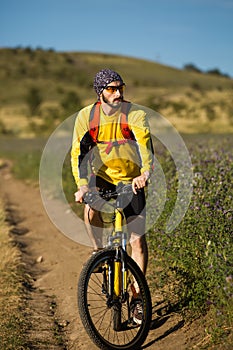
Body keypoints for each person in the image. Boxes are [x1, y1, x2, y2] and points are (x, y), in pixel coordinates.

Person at [71, 69, 154, 323]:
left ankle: (138, 299)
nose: (118, 93)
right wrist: (83, 185)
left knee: (137, 242)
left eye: (120, 88)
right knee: (90, 209)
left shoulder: (135, 114)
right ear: (100, 92)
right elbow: (80, 154)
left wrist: (145, 173)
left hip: (132, 179)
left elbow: (145, 146)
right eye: (111, 89)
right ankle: (98, 253)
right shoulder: (87, 117)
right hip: (105, 177)